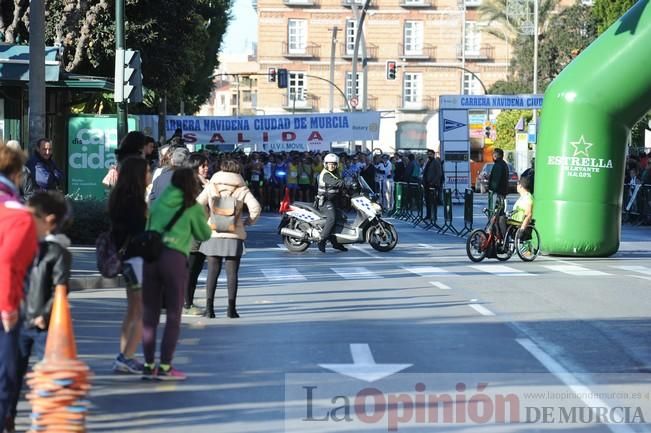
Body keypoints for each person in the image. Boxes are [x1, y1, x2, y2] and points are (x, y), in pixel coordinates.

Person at [8, 191, 71, 430]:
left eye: (32, 215)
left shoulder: (58, 252)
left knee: (46, 375)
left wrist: (43, 315)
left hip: (46, 325)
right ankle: (8, 417)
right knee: (12, 373)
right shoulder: (24, 245)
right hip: (19, 320)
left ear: (50, 220)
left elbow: (60, 289)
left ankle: (42, 419)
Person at [142, 168, 211, 380]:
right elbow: (204, 234)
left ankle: (147, 365)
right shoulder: (192, 207)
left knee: (150, 315)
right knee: (173, 315)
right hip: (174, 259)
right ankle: (164, 366)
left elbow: (148, 228)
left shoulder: (158, 203)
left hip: (151, 258)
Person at [0, 144, 38, 433]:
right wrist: (9, 307)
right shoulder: (19, 216)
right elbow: (9, 265)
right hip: (6, 307)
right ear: (15, 175)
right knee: (7, 373)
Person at [197, 159, 261, 319]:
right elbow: (256, 208)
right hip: (234, 234)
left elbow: (197, 205)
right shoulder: (242, 188)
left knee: (212, 271)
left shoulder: (212, 186)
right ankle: (231, 309)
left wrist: (208, 218)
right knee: (232, 273)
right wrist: (247, 222)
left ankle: (209, 309)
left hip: (213, 232)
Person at [108, 157, 151, 374]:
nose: (150, 174)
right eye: (148, 171)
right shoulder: (134, 201)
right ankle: (127, 356)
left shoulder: (119, 196)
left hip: (125, 258)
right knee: (139, 310)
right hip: (136, 259)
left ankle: (124, 354)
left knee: (132, 309)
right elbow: (138, 233)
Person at [183, 153, 211, 317]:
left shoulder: (203, 183)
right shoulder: (188, 185)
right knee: (190, 270)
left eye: (207, 165)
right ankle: (186, 304)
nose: (207, 168)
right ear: (194, 167)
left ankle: (188, 301)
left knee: (195, 269)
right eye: (203, 166)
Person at [316, 153, 347, 253]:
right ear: (325, 164)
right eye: (329, 164)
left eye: (333, 164)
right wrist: (346, 183)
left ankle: (336, 243)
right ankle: (322, 240)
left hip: (332, 201)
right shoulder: (325, 174)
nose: (331, 165)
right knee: (332, 218)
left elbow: (339, 185)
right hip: (324, 201)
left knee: (341, 218)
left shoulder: (335, 173)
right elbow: (336, 183)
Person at [422, 150, 442, 221]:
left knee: (433, 201)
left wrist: (433, 182)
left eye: (430, 154)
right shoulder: (428, 162)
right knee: (427, 201)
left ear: (433, 154)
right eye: (428, 154)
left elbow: (439, 174)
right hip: (427, 184)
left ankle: (434, 216)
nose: (429, 156)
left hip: (433, 185)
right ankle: (428, 215)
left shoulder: (436, 162)